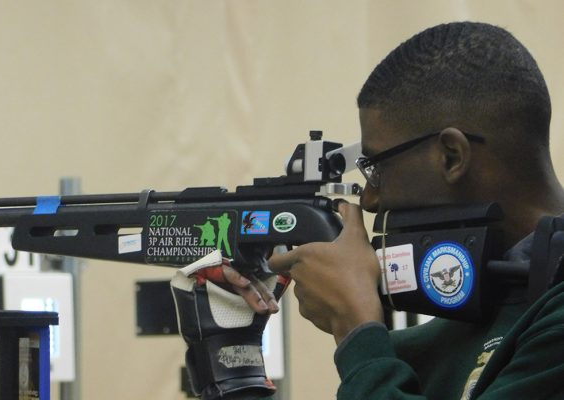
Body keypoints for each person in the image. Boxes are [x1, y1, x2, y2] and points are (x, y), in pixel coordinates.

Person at [226, 21, 564, 399]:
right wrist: (225, 344)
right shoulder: (483, 314)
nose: (370, 198)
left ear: (451, 156)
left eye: (377, 168)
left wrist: (355, 327)